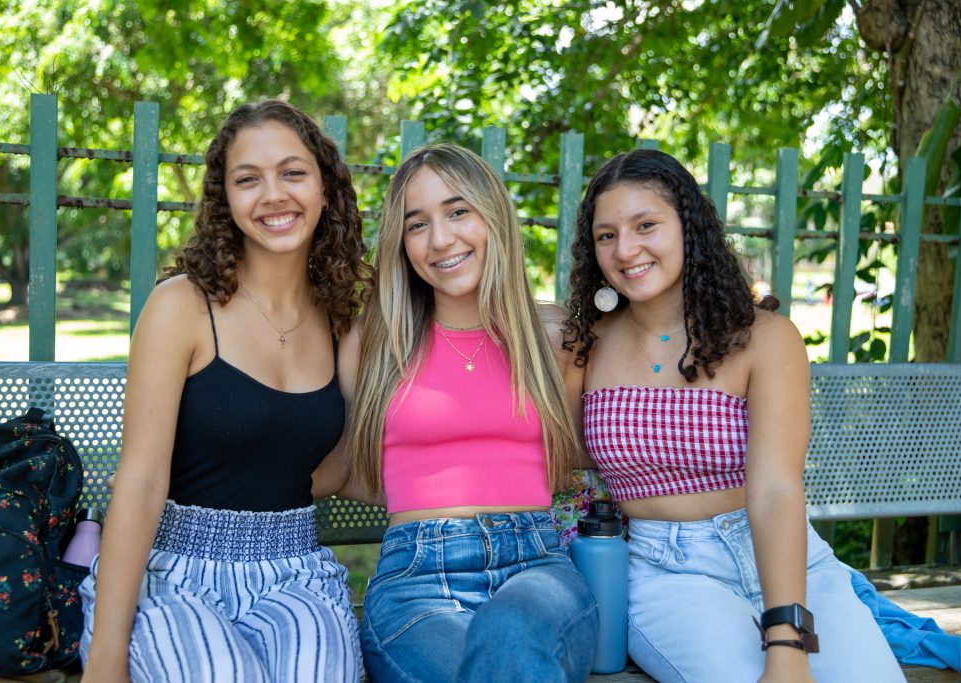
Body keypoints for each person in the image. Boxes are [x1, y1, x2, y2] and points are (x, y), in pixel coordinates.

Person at [562, 149, 905, 683]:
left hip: (789, 559)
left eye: (646, 225)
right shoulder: (584, 344)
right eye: (606, 235)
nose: (626, 249)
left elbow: (774, 490)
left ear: (689, 228)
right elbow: (553, 453)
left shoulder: (765, 338)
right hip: (665, 572)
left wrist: (788, 643)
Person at [78, 99, 371, 683]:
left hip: (294, 572)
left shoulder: (342, 318)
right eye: (248, 179)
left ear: (324, 188)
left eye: (293, 172)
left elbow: (340, 467)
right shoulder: (181, 306)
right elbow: (139, 480)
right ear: (225, 200)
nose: (273, 195)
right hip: (173, 574)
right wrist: (108, 655)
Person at [345, 143, 598, 682]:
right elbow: (344, 463)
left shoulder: (551, 337)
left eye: (459, 211)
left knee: (510, 633)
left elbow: (574, 455)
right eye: (417, 224)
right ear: (401, 242)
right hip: (416, 582)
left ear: (494, 216)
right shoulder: (374, 342)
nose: (440, 239)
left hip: (538, 569)